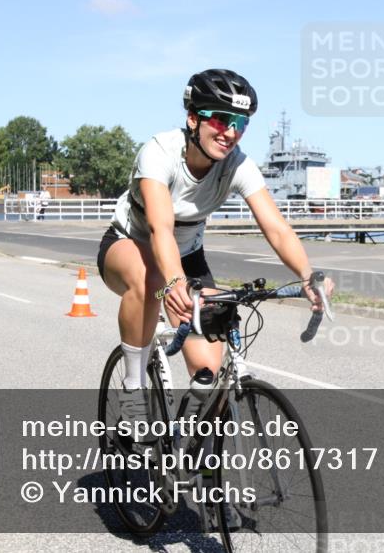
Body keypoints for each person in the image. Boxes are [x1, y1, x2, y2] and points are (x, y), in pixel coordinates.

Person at [97, 69, 334, 428]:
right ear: (193, 118)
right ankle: (133, 390)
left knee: (209, 369)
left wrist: (307, 274)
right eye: (221, 119)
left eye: (240, 122)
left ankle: (194, 450)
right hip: (132, 244)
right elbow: (161, 229)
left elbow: (276, 228)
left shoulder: (238, 164)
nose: (231, 132)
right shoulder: (160, 152)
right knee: (149, 280)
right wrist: (173, 282)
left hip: (188, 258)